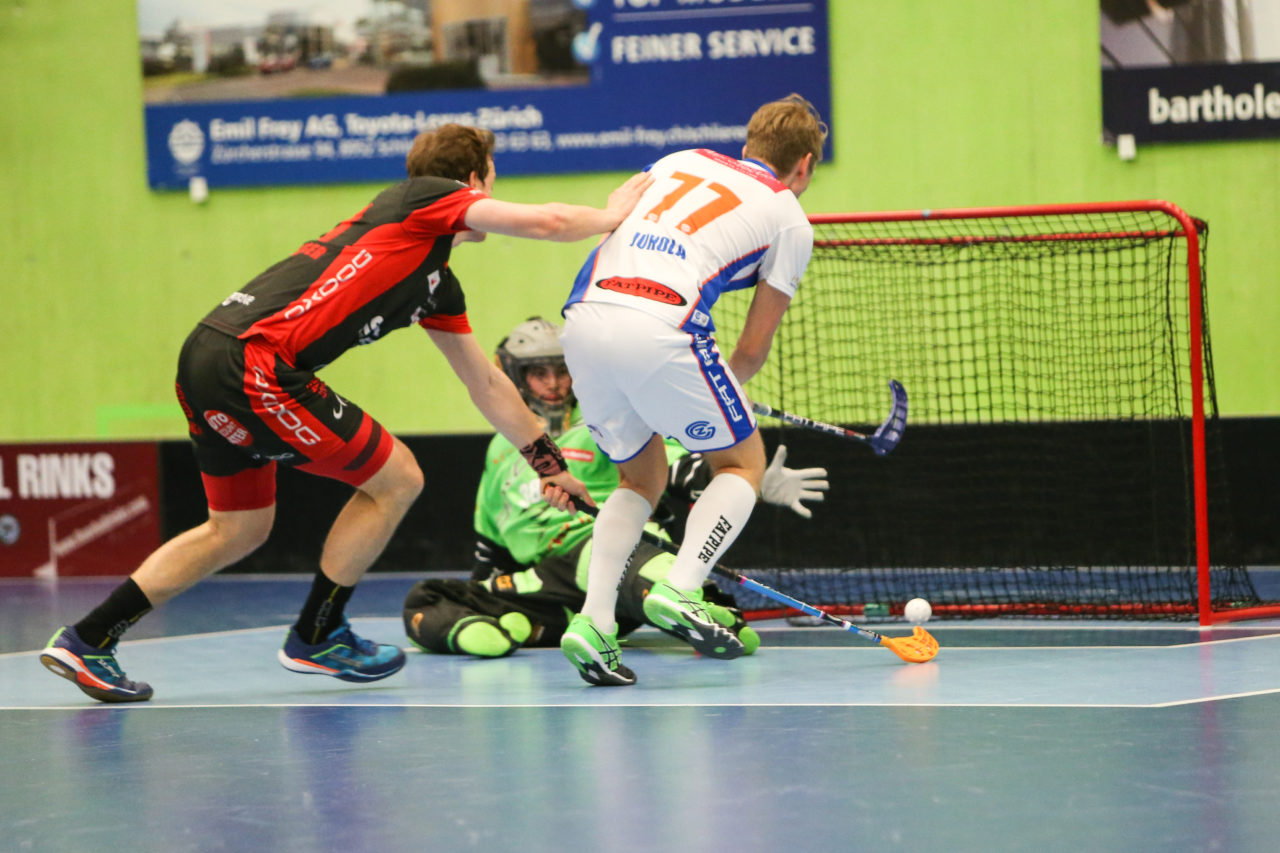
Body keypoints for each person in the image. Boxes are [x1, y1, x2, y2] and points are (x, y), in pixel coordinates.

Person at [38, 125, 651, 703]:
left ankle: (87, 641)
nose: (493, 192)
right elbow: (548, 222)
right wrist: (614, 217)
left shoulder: (435, 282)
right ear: (472, 181)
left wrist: (547, 465)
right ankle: (317, 634)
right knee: (399, 478)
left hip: (209, 356)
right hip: (254, 363)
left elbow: (486, 384)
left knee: (239, 529)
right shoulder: (424, 199)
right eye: (491, 179)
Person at [557, 93, 828, 685]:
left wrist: (704, 394)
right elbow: (751, 351)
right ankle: (681, 586)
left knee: (640, 478)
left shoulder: (680, 160)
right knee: (742, 463)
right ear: (804, 164)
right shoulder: (789, 217)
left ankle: (594, 622)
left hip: (582, 320)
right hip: (662, 325)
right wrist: (725, 393)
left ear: (748, 144)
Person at [401, 316, 828, 658]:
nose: (553, 383)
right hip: (547, 577)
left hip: (606, 550)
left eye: (562, 372)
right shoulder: (501, 448)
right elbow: (489, 546)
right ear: (516, 375)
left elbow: (678, 471)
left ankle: (684, 602)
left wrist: (746, 480)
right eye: (539, 374)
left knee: (620, 565)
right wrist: (481, 596)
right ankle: (489, 628)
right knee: (427, 599)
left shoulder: (603, 422)